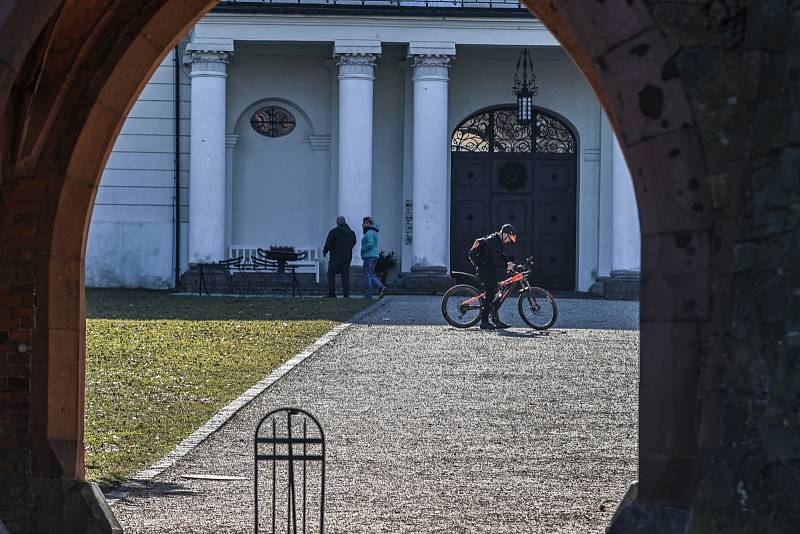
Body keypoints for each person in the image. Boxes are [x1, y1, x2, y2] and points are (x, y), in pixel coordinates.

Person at [469, 223, 518, 329]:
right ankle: (484, 322)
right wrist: (506, 266)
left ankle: (495, 320)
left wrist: (510, 264)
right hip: (484, 271)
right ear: (505, 234)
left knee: (496, 293)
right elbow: (496, 260)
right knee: (490, 294)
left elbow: (501, 256)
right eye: (509, 238)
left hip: (490, 270)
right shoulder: (493, 241)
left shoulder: (498, 242)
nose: (509, 241)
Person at [322, 216, 357, 298]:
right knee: (345, 276)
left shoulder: (334, 232)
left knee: (331, 274)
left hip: (335, 257)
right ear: (345, 222)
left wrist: (325, 251)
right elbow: (353, 242)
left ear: (337, 223)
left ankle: (332, 293)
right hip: (347, 257)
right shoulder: (351, 233)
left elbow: (328, 243)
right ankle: (346, 294)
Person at [361, 216, 386, 299]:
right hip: (374, 256)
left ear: (370, 224)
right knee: (371, 275)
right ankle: (381, 287)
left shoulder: (369, 232)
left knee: (367, 275)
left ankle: (369, 294)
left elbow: (370, 244)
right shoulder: (374, 232)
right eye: (364, 222)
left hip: (369, 256)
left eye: (366, 223)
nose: (364, 224)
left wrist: (362, 249)